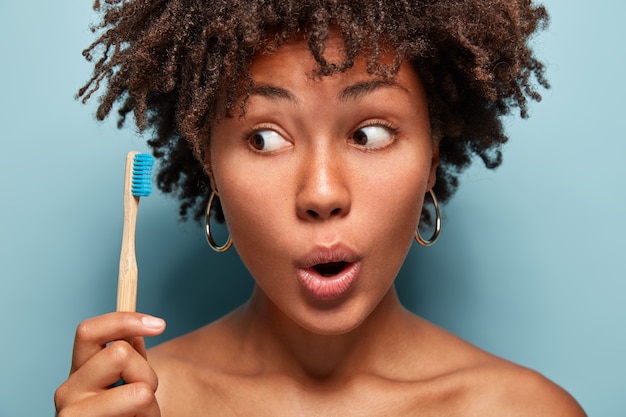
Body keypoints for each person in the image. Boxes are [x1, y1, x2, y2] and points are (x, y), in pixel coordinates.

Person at [54, 0, 586, 415]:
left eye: (370, 133)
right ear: (210, 165)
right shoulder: (137, 405)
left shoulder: (527, 411)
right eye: (264, 138)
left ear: (431, 158)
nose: (323, 194)